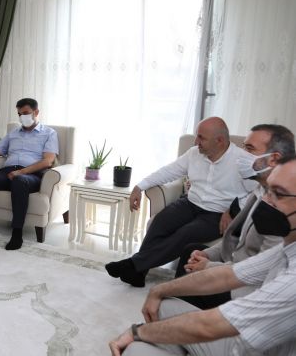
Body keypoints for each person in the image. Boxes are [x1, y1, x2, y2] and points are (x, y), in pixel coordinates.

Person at [108, 156, 296, 356]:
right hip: (244, 339)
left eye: (278, 194)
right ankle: (138, 268)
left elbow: (210, 326)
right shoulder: (285, 250)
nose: (266, 200)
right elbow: (229, 275)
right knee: (161, 308)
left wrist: (138, 333)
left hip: (248, 347)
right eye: (268, 191)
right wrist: (159, 290)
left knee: (136, 348)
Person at [105, 117, 257, 287]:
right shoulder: (194, 153)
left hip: (218, 214)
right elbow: (169, 171)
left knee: (186, 234)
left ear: (219, 141)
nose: (196, 142)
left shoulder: (244, 161)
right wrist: (139, 187)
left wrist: (233, 210)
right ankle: (138, 273)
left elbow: (258, 192)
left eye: (201, 138)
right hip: (190, 203)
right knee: (160, 222)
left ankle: (132, 265)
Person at [174, 124, 294, 309]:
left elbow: (260, 270)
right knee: (191, 251)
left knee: (183, 285)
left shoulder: (280, 209)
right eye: (243, 147)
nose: (241, 154)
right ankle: (180, 310)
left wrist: (208, 267)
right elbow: (236, 238)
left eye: (249, 149)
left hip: (245, 287)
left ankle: (191, 316)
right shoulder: (259, 189)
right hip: (233, 262)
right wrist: (207, 255)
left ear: (273, 159)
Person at [0, 98, 58, 250]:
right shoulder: (13, 133)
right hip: (7, 172)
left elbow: (47, 161)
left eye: (25, 113)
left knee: (19, 181)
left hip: (30, 175)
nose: (22, 117)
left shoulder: (49, 133)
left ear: (36, 112)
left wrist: (21, 172)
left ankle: (17, 233)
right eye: (19, 114)